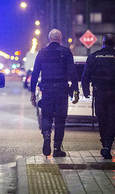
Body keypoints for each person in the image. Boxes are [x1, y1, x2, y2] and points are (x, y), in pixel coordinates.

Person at [81, 34, 115, 159]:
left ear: (103, 43)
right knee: (112, 120)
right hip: (114, 95)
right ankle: (107, 145)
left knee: (102, 119)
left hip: (100, 94)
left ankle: (105, 143)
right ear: (114, 43)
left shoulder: (94, 57)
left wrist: (86, 91)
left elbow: (85, 77)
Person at [30, 29, 79, 157]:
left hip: (47, 90)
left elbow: (35, 74)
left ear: (49, 39)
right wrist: (76, 89)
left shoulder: (42, 53)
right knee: (60, 119)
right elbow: (73, 72)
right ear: (60, 38)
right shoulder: (66, 52)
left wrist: (32, 92)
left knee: (46, 116)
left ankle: (46, 136)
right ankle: (57, 148)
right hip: (61, 90)